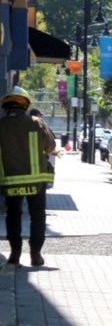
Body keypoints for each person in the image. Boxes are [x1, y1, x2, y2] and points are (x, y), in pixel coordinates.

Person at [0, 88, 56, 266]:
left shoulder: (0, 125)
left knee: (13, 215)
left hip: (9, 180)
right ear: (24, 106)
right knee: (37, 215)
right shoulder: (36, 123)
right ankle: (35, 255)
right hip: (36, 180)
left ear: (6, 108)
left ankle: (14, 254)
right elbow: (50, 146)